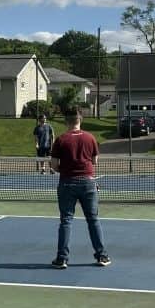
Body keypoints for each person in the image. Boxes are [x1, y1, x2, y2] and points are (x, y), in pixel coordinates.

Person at [49, 107, 110, 269]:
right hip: (88, 183)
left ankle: (62, 259)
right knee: (93, 220)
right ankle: (102, 256)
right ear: (80, 120)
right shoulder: (90, 138)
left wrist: (67, 170)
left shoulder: (61, 139)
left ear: (66, 121)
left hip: (67, 183)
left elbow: (54, 165)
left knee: (66, 220)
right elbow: (95, 161)